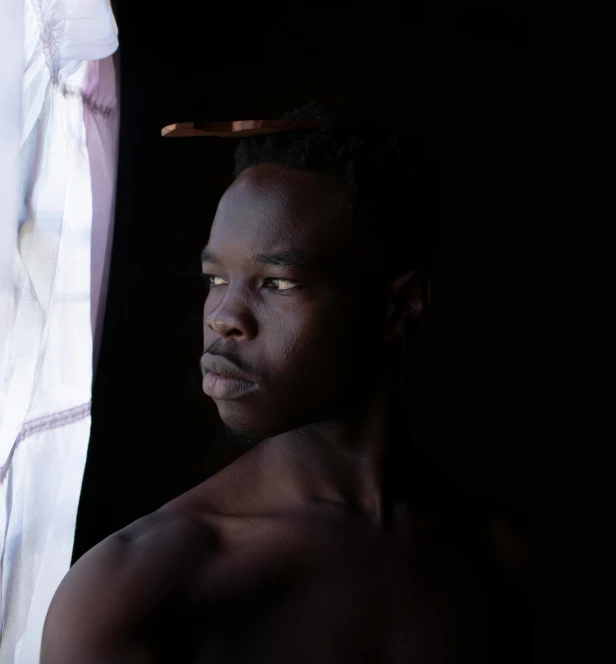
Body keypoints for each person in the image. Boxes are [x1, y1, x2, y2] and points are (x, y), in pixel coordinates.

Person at [40, 103, 530, 663]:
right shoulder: (131, 593)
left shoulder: (493, 557)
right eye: (216, 279)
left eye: (277, 282)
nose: (224, 316)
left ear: (400, 308)